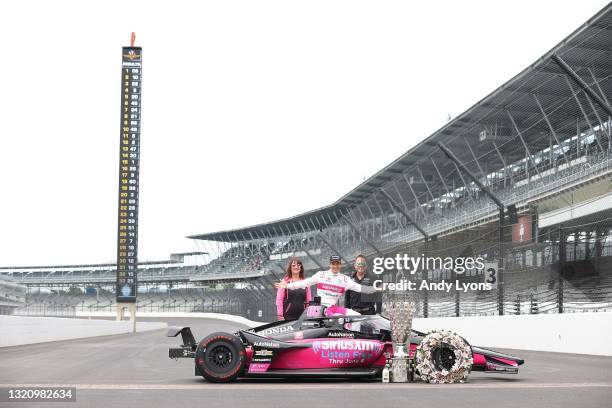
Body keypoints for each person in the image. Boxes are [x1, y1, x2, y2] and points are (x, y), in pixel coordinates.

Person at [274, 255, 377, 316]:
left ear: (340, 265)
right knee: (334, 318)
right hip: (320, 309)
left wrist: (376, 288)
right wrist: (287, 286)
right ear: (330, 264)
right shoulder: (321, 275)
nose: (335, 266)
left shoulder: (345, 279)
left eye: (337, 264)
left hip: (333, 308)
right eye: (333, 263)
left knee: (357, 315)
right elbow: (305, 283)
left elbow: (360, 288)